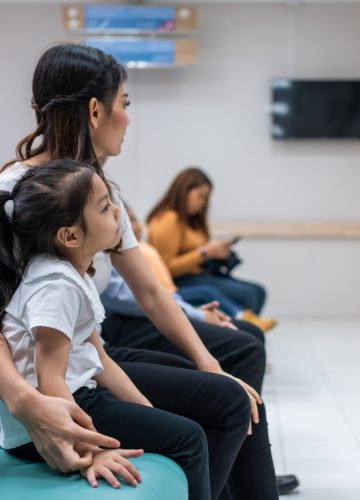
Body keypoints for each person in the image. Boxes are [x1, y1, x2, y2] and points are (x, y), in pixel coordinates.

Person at [0, 42, 284, 499]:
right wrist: (21, 398)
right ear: (96, 110)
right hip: (56, 375)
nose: (129, 118)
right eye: (124, 104)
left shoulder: (98, 192)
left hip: (92, 357)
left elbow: (151, 293)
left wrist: (208, 364)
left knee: (235, 389)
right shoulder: (17, 193)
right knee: (222, 409)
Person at [0, 160, 211, 497]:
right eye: (104, 207)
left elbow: (99, 357)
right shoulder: (56, 286)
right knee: (189, 438)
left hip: (78, 399)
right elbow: (50, 379)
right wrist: (92, 452)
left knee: (174, 425)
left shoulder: (70, 275)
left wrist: (148, 414)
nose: (117, 212)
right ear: (70, 235)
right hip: (46, 423)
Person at [147, 167, 277, 333]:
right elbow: (166, 269)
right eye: (200, 197)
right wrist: (204, 252)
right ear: (184, 191)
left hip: (200, 274)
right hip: (180, 280)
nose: (203, 203)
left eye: (206, 198)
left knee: (258, 291)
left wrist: (216, 253)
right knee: (247, 295)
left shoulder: (190, 219)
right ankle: (244, 337)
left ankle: (252, 339)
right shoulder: (169, 219)